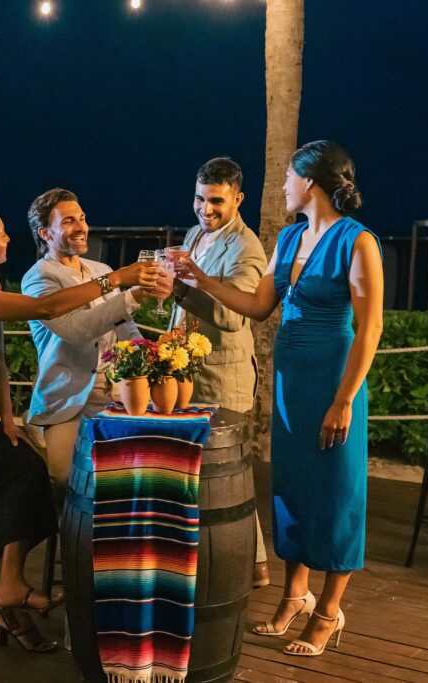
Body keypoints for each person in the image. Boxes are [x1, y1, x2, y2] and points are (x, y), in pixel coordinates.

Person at [0, 204, 159, 654]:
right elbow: (45, 307)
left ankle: (9, 590)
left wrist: (7, 419)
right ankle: (10, 591)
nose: (8, 239)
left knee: (24, 467)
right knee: (20, 474)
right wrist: (117, 278)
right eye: (0, 233)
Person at [176, 141, 383, 657]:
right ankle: (294, 594)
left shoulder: (359, 243)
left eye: (288, 179)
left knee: (336, 493)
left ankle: (329, 613)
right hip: (290, 382)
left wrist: (344, 401)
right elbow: (257, 305)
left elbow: (370, 328)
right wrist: (198, 279)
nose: (283, 188)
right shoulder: (289, 238)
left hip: (334, 381)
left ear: (310, 183)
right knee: (292, 490)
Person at [167, 157, 272, 587]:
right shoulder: (194, 234)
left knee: (229, 474)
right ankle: (252, 563)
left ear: (238, 199)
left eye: (215, 201)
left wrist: (198, 280)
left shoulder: (247, 248)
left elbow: (234, 317)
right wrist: (169, 285)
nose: (204, 209)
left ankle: (251, 564)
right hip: (187, 370)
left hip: (223, 377)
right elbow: (186, 297)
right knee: (210, 473)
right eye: (199, 198)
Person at [22, 188, 169, 482]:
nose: (81, 227)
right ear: (45, 234)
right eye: (68, 222)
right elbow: (77, 330)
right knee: (70, 485)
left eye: (82, 218)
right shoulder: (38, 277)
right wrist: (131, 296)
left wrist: (152, 353)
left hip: (119, 393)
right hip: (69, 403)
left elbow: (122, 325)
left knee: (130, 480)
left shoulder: (100, 269)